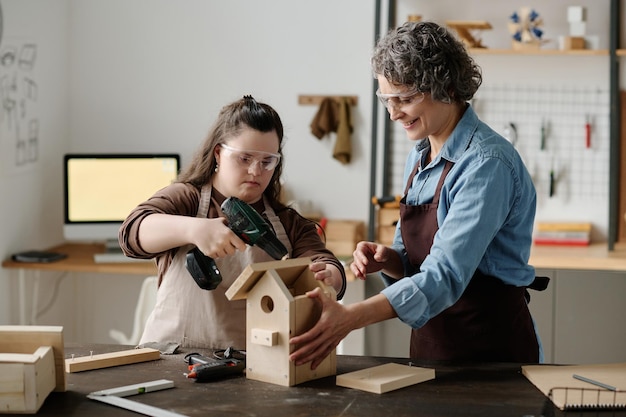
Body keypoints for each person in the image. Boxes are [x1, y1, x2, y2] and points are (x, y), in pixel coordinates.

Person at [289, 21, 548, 369]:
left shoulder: (487, 165)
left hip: (491, 351)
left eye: (405, 99)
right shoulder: (420, 155)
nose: (394, 113)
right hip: (434, 346)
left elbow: (444, 275)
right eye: (387, 100)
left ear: (447, 88)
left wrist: (350, 317)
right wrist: (390, 260)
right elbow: (415, 260)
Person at [119, 95, 346, 350]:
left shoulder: (288, 222)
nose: (256, 171)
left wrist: (331, 276)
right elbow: (131, 233)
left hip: (254, 365)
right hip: (171, 359)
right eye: (244, 158)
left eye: (267, 161)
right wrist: (193, 229)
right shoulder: (187, 199)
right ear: (219, 153)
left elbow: (324, 262)